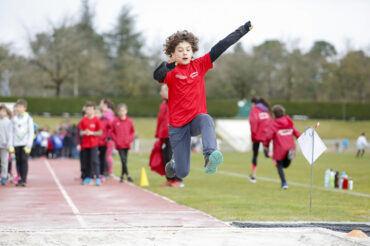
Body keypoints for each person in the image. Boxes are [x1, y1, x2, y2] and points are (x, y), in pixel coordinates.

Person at [153, 20, 253, 179]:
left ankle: (209, 157)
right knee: (182, 172)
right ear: (173, 54)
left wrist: (243, 30)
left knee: (206, 118)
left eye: (188, 49)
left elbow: (221, 46)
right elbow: (157, 75)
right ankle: (173, 164)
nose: (185, 53)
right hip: (178, 126)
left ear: (193, 52)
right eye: (180, 50)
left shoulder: (200, 65)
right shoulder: (171, 72)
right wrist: (167, 65)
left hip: (195, 120)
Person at [263, 105, 301, 190]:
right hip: (290, 147)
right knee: (286, 165)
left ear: (274, 114)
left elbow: (268, 137)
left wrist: (266, 146)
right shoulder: (289, 122)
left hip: (279, 149)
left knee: (279, 166)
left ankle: (284, 183)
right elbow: (296, 133)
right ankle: (289, 156)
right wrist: (303, 139)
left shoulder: (274, 124)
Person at [155, 84, 184, 187]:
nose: (160, 93)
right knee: (165, 157)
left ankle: (178, 180)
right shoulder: (162, 105)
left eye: (162, 90)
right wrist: (158, 135)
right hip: (164, 136)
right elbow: (160, 120)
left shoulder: (176, 103)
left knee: (173, 158)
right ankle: (170, 179)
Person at [9, 99, 35, 187]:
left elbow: (31, 132)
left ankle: (24, 179)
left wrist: (29, 145)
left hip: (25, 144)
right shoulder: (14, 119)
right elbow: (11, 132)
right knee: (18, 161)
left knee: (24, 161)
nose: (18, 109)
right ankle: (20, 177)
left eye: (20, 107)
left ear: (25, 108)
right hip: (16, 144)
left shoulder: (28, 119)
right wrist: (10, 145)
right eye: (17, 107)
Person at [248, 96, 272, 183]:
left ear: (253, 103)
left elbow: (253, 122)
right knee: (266, 153)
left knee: (255, 155)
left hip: (257, 135)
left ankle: (253, 176)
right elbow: (270, 122)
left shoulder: (254, 110)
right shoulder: (266, 110)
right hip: (266, 136)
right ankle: (273, 155)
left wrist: (253, 135)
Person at [78, 102, 102, 186]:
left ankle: (98, 178)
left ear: (94, 110)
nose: (89, 111)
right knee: (86, 161)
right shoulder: (83, 120)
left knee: (94, 161)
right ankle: (88, 177)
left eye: (90, 109)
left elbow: (100, 132)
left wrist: (92, 133)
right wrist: (85, 132)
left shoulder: (96, 120)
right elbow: (80, 132)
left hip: (93, 144)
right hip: (85, 144)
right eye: (87, 109)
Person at [111, 104, 135, 183]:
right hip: (119, 144)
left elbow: (132, 132)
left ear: (126, 111)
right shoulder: (115, 122)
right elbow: (112, 132)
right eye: (120, 111)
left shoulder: (129, 121)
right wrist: (116, 140)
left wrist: (129, 139)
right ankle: (127, 175)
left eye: (123, 111)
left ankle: (122, 175)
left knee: (125, 160)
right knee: (123, 159)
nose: (122, 112)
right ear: (118, 112)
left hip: (127, 144)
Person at [99, 98, 115, 177]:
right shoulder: (106, 113)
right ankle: (106, 171)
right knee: (105, 155)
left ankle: (110, 171)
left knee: (108, 155)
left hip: (108, 139)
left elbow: (111, 127)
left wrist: (108, 137)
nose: (99, 105)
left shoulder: (108, 114)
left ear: (105, 104)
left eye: (100, 103)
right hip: (104, 138)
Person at [95, 107, 111, 180]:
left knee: (102, 159)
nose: (96, 114)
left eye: (98, 113)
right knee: (94, 159)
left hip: (103, 143)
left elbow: (111, 129)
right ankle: (94, 173)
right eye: (95, 113)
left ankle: (101, 174)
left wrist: (108, 137)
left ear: (102, 113)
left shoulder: (106, 120)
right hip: (94, 142)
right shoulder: (93, 120)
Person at [0, 104, 12, 185]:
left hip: (4, 146)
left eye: (3, 111)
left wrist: (9, 145)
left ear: (7, 113)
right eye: (0, 110)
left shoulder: (8, 122)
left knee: (4, 162)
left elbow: (10, 134)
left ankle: (4, 176)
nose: (1, 112)